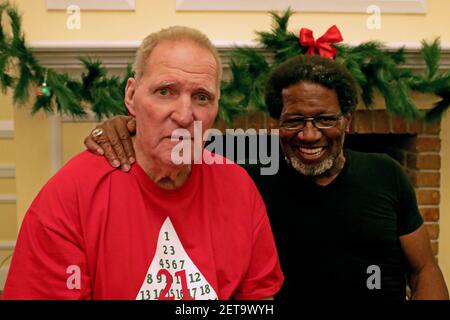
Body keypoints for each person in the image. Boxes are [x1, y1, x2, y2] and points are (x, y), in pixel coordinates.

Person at [84, 54, 449, 300]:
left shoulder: (386, 174)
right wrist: (124, 126)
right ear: (277, 124)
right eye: (294, 121)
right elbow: (177, 140)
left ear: (346, 122)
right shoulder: (246, 171)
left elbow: (423, 269)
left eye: (324, 119)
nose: (309, 134)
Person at [3, 26, 284, 300]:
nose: (185, 116)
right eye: (165, 91)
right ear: (131, 96)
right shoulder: (70, 196)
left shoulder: (239, 188)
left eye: (201, 97)